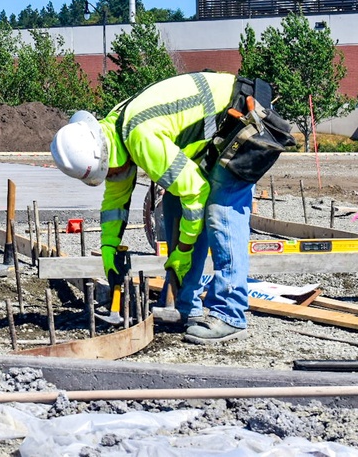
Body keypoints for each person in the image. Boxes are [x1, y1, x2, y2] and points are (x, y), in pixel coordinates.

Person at [50, 72, 292, 345]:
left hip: (243, 116)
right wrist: (108, 251)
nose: (111, 176)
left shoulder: (140, 138)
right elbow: (116, 202)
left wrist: (183, 252)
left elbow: (195, 191)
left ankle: (230, 314)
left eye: (107, 171)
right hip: (222, 127)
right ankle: (185, 304)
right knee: (175, 203)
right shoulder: (113, 130)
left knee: (220, 208)